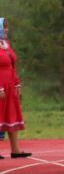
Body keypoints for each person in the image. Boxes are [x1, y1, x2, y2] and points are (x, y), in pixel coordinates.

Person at [0, 18, 31, 159]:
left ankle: (15, 150)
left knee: (11, 114)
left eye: (7, 27)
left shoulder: (6, 44)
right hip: (1, 85)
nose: (7, 30)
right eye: (4, 27)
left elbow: (12, 64)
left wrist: (17, 82)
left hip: (10, 85)